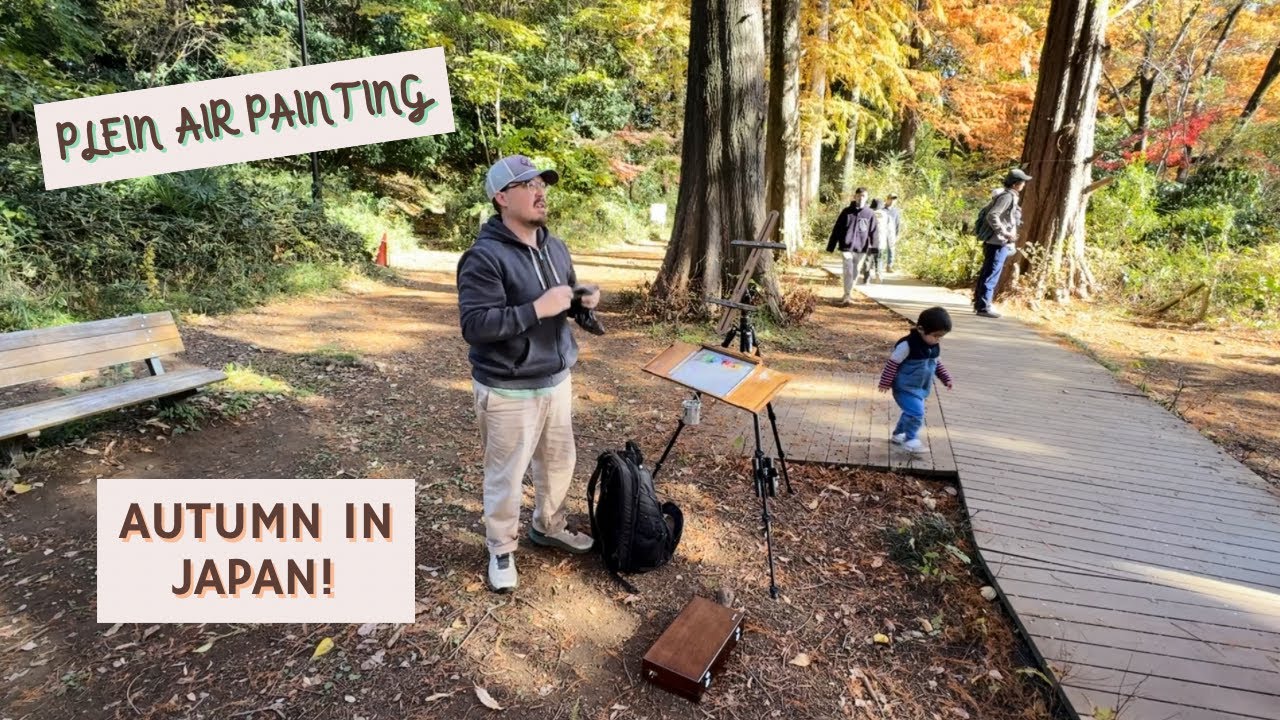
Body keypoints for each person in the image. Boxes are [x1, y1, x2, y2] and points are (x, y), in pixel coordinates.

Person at [456, 154, 599, 593]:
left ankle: (549, 526)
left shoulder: (554, 246)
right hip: (508, 388)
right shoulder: (483, 257)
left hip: (556, 380)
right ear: (501, 197)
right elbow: (476, 326)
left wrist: (583, 304)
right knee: (506, 475)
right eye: (528, 185)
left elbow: (565, 302)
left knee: (559, 463)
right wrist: (537, 309)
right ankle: (501, 548)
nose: (541, 192)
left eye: (543, 183)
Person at [876, 306, 954, 455]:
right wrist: (885, 382)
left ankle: (898, 434)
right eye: (935, 335)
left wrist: (946, 378)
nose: (937, 339)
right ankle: (910, 439)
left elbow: (937, 364)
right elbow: (893, 363)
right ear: (921, 329)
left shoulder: (934, 346)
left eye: (940, 337)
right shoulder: (907, 345)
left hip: (920, 388)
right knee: (917, 413)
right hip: (904, 387)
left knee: (910, 412)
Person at [973, 169, 1031, 318]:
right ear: (1016, 184)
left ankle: (979, 304)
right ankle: (984, 307)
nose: (1024, 184)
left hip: (994, 241)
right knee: (992, 274)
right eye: (1022, 181)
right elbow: (993, 215)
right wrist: (1004, 232)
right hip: (998, 242)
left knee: (988, 272)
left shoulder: (1006, 195)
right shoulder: (1007, 197)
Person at [826, 188, 876, 304]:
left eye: (863, 196)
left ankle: (848, 293)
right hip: (846, 247)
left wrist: (875, 248)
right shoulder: (846, 212)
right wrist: (831, 246)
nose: (861, 198)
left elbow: (874, 231)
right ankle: (847, 295)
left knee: (856, 271)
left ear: (867, 197)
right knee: (848, 269)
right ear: (855, 197)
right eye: (859, 196)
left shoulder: (869, 214)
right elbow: (837, 229)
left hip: (861, 248)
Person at [864, 198, 889, 283]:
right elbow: (889, 228)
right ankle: (878, 274)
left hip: (869, 240)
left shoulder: (868, 213)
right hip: (881, 240)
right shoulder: (885, 214)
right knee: (879, 259)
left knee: (868, 260)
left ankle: (867, 277)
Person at [883, 193, 903, 272]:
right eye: (891, 199)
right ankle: (875, 264)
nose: (892, 201)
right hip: (882, 232)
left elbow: (897, 223)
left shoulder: (895, 211)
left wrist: (896, 234)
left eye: (894, 199)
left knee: (891, 249)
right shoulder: (882, 209)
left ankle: (889, 266)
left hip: (891, 232)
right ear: (887, 199)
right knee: (880, 249)